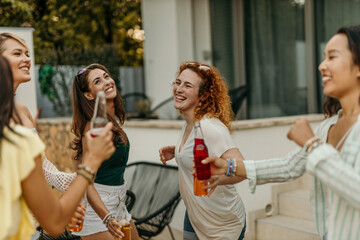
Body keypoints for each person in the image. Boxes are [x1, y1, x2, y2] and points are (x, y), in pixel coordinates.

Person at [201, 25, 360, 240]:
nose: (322, 65)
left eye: (332, 57)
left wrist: (312, 145)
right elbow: (289, 166)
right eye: (323, 57)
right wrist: (229, 166)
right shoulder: (327, 126)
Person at [0, 55, 115, 240]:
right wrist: (87, 169)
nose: (27, 58)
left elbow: (42, 167)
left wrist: (68, 186)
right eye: (17, 53)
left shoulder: (22, 111)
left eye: (26, 53)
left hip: (33, 225)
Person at [159, 62, 246, 240]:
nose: (179, 89)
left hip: (221, 222)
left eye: (188, 85)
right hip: (195, 215)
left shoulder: (210, 127)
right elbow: (203, 154)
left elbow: (242, 169)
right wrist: (179, 152)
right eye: (178, 82)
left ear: (204, 96)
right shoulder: (191, 123)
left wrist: (214, 179)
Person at [72, 63, 139, 240]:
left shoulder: (112, 121)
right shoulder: (93, 128)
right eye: (97, 81)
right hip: (98, 211)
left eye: (106, 76)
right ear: (88, 95)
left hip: (119, 203)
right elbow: (86, 181)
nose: (107, 82)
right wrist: (107, 218)